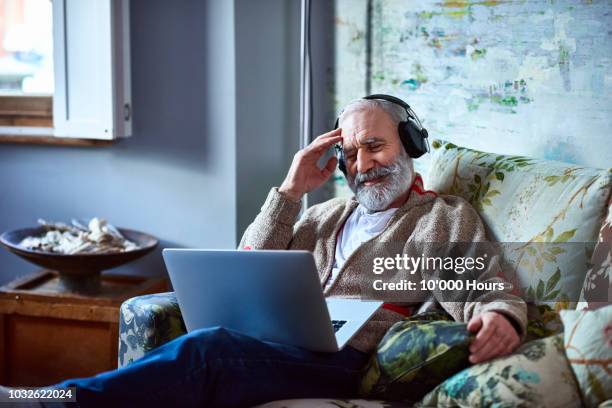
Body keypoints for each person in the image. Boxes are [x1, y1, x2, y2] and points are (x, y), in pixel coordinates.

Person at [0, 95, 526, 408]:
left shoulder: (440, 218)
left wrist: (502, 315)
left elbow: (480, 280)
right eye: (348, 153)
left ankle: (52, 399)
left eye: (375, 145)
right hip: (275, 343)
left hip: (345, 360)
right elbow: (248, 265)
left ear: (409, 144)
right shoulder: (324, 215)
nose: (362, 164)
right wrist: (291, 193)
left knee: (208, 350)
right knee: (203, 345)